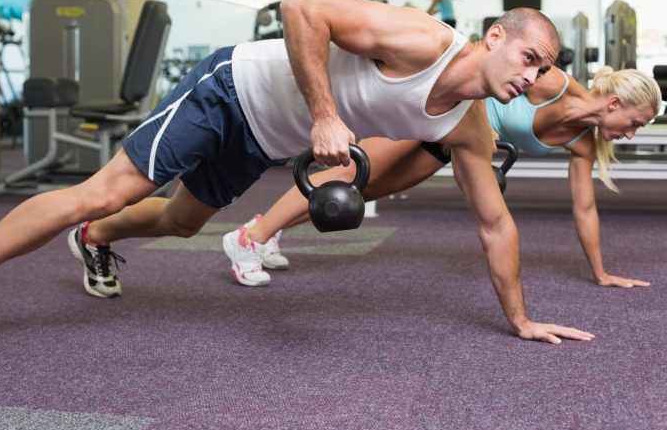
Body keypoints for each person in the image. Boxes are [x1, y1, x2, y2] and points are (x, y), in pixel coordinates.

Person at [0, 0, 594, 358]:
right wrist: (325, 115)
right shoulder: (422, 40)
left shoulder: (466, 126)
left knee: (182, 221)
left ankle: (96, 238)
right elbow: (302, 10)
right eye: (527, 57)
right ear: (495, 37)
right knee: (108, 188)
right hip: (231, 90)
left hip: (265, 138)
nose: (531, 77)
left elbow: (494, 223)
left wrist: (521, 318)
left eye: (542, 70)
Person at [223, 65, 662, 290]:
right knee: (352, 174)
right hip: (439, 114)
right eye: (635, 123)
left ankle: (267, 230)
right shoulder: (554, 84)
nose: (631, 134)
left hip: (453, 145)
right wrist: (480, 119)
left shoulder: (584, 143)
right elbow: (488, 71)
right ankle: (248, 239)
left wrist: (601, 273)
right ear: (615, 103)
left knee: (360, 194)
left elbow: (584, 209)